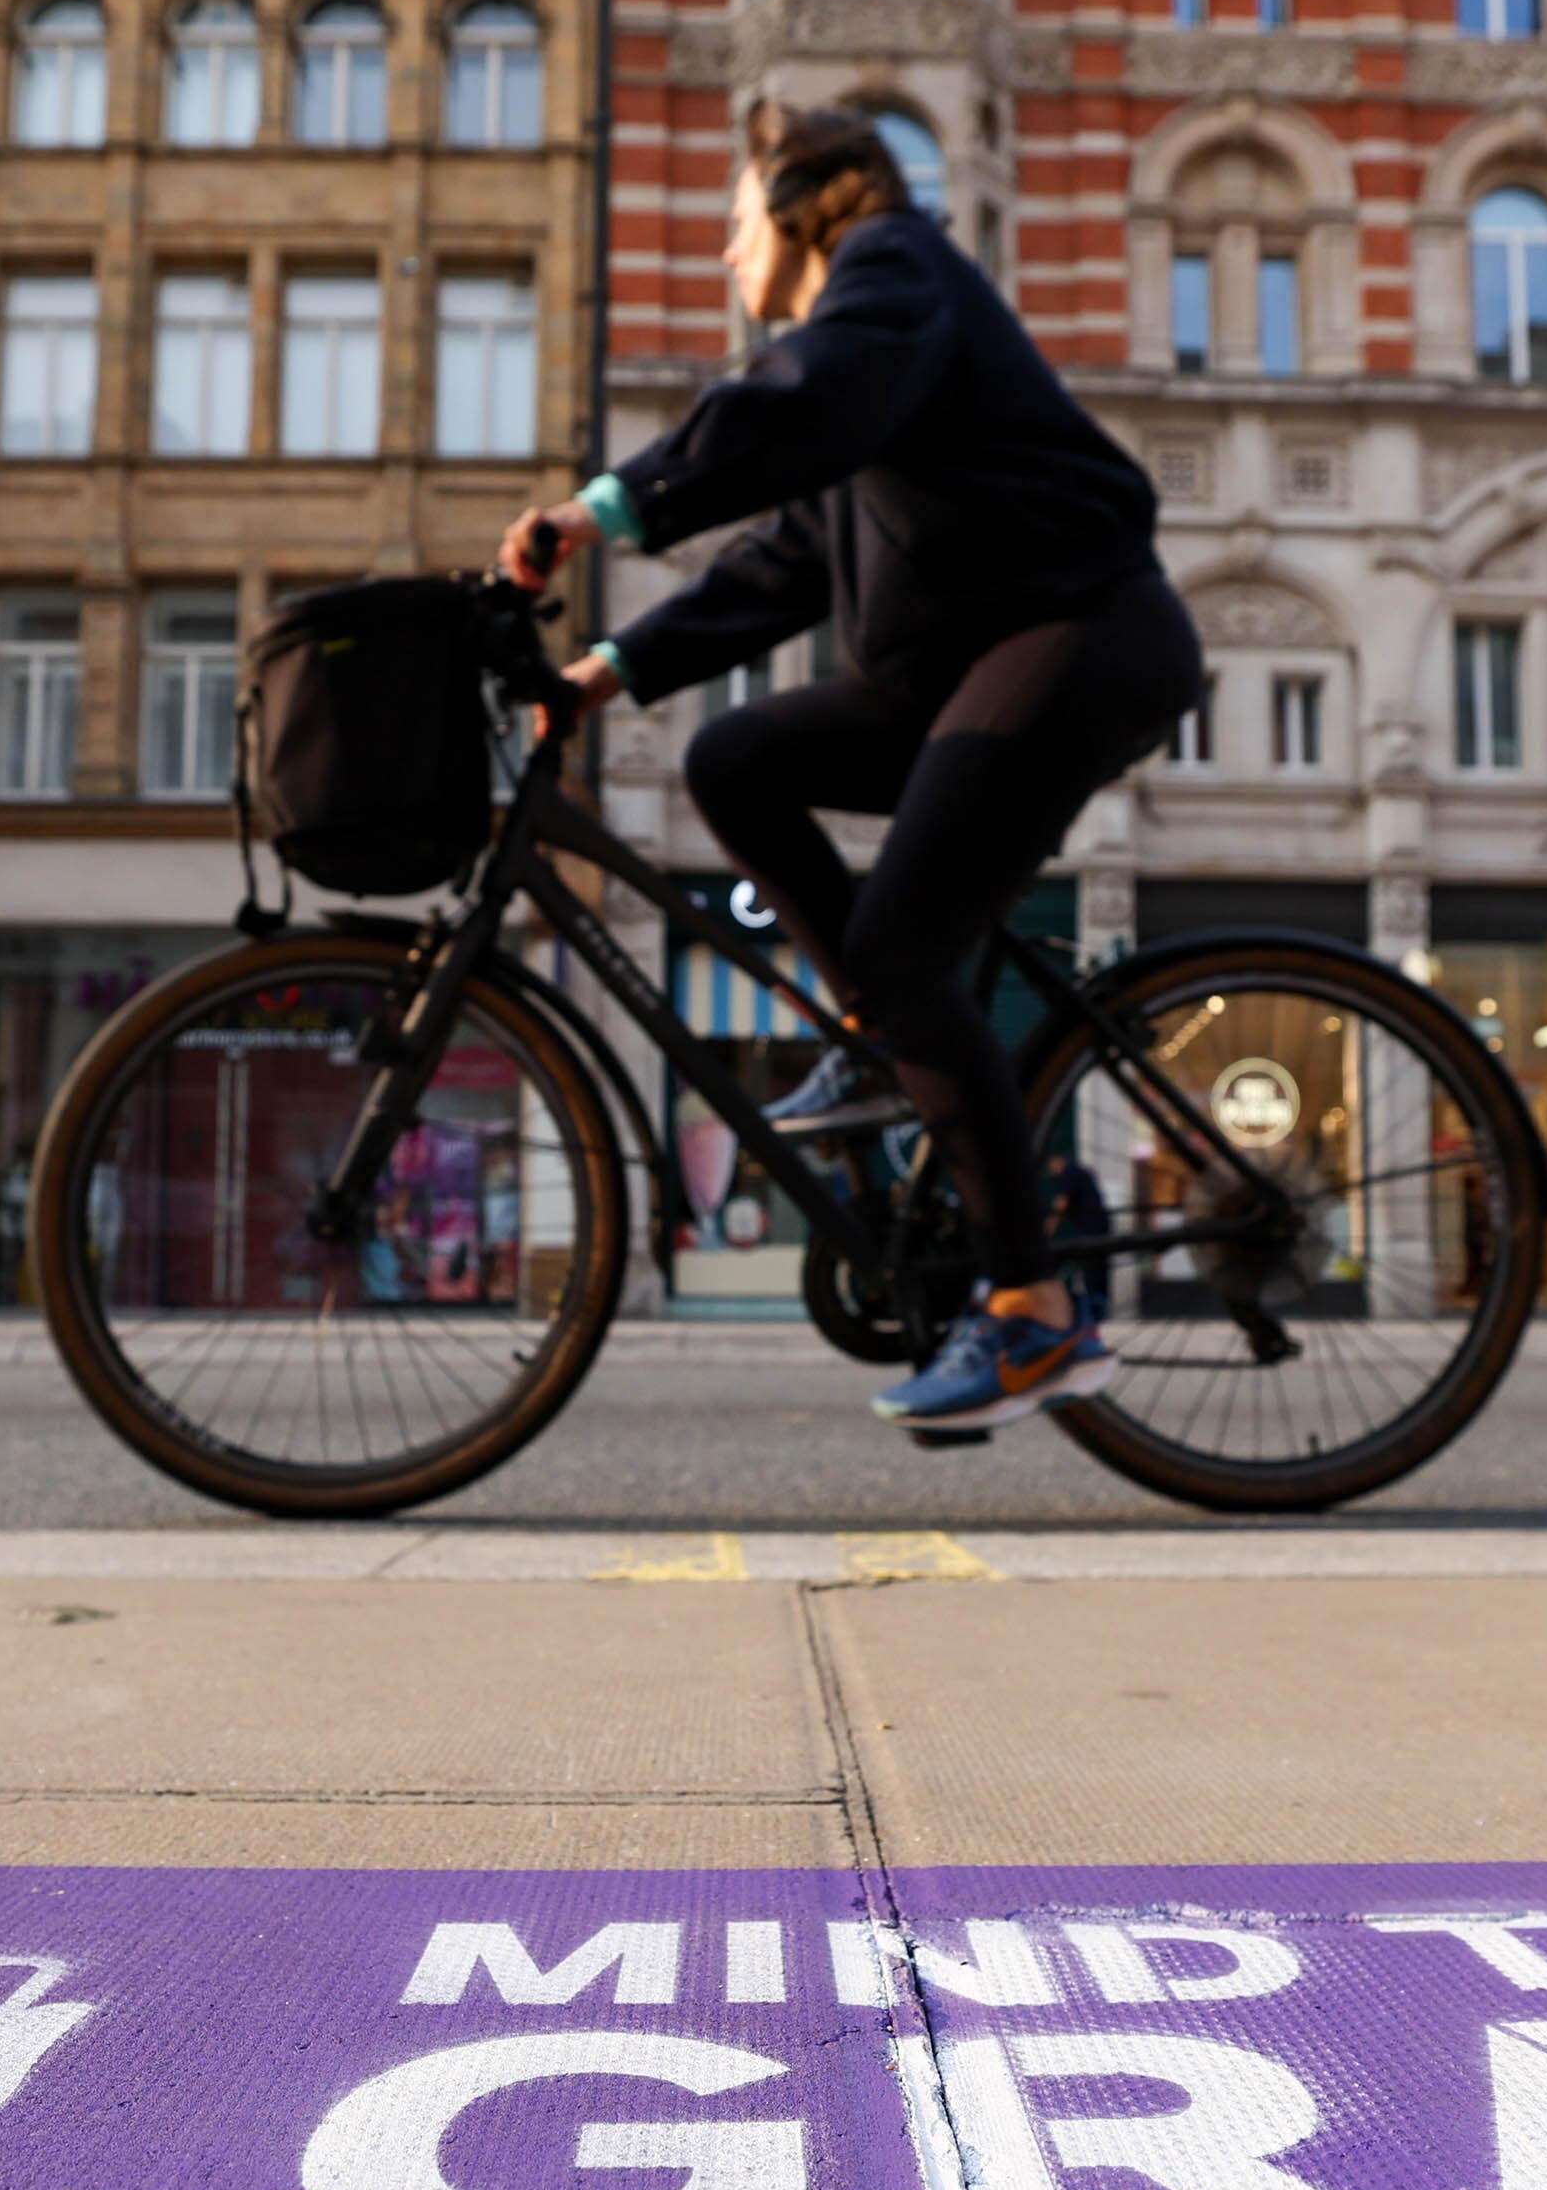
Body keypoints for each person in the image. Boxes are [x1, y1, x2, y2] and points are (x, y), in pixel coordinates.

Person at [502, 101, 1204, 1433]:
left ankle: (1030, 1316)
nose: (722, 255)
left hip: (1081, 636)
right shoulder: (867, 380)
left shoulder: (893, 268)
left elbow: (798, 398)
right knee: (737, 757)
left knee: (899, 943)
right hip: (978, 668)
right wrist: (608, 668)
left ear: (798, 202)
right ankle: (887, 1045)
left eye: (730, 224)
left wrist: (602, 508)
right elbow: (788, 561)